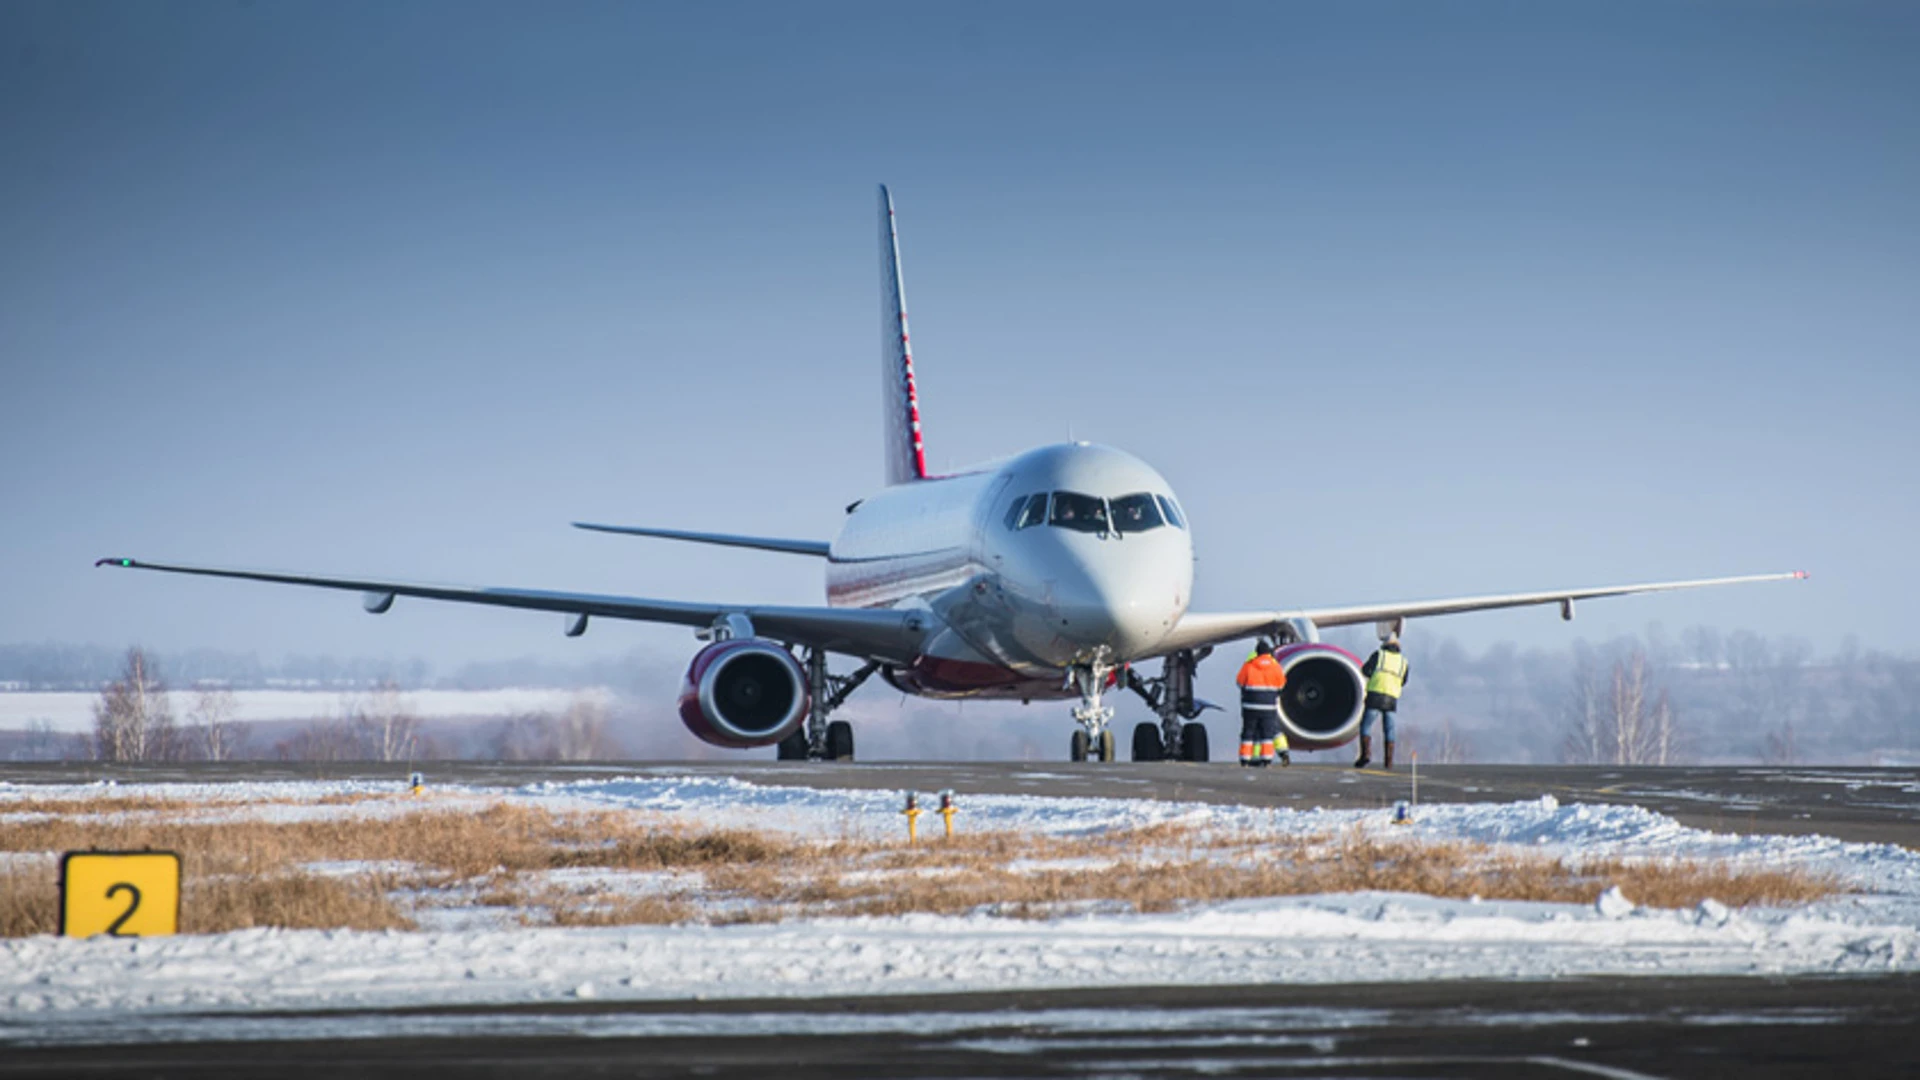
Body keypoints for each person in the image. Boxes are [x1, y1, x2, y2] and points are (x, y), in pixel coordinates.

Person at [1355, 634, 1410, 769]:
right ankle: (1389, 761)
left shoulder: (1379, 655)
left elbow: (1365, 670)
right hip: (1391, 698)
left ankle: (1365, 754)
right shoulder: (1403, 662)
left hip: (1375, 695)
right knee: (1389, 729)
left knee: (1365, 726)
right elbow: (1404, 680)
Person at [1234, 641, 1290, 767]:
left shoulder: (1249, 665)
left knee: (1248, 733)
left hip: (1250, 706)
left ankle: (1244, 760)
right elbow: (1282, 685)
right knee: (1267, 735)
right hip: (1268, 707)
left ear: (1257, 652)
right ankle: (1267, 760)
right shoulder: (1276, 667)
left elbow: (1239, 683)